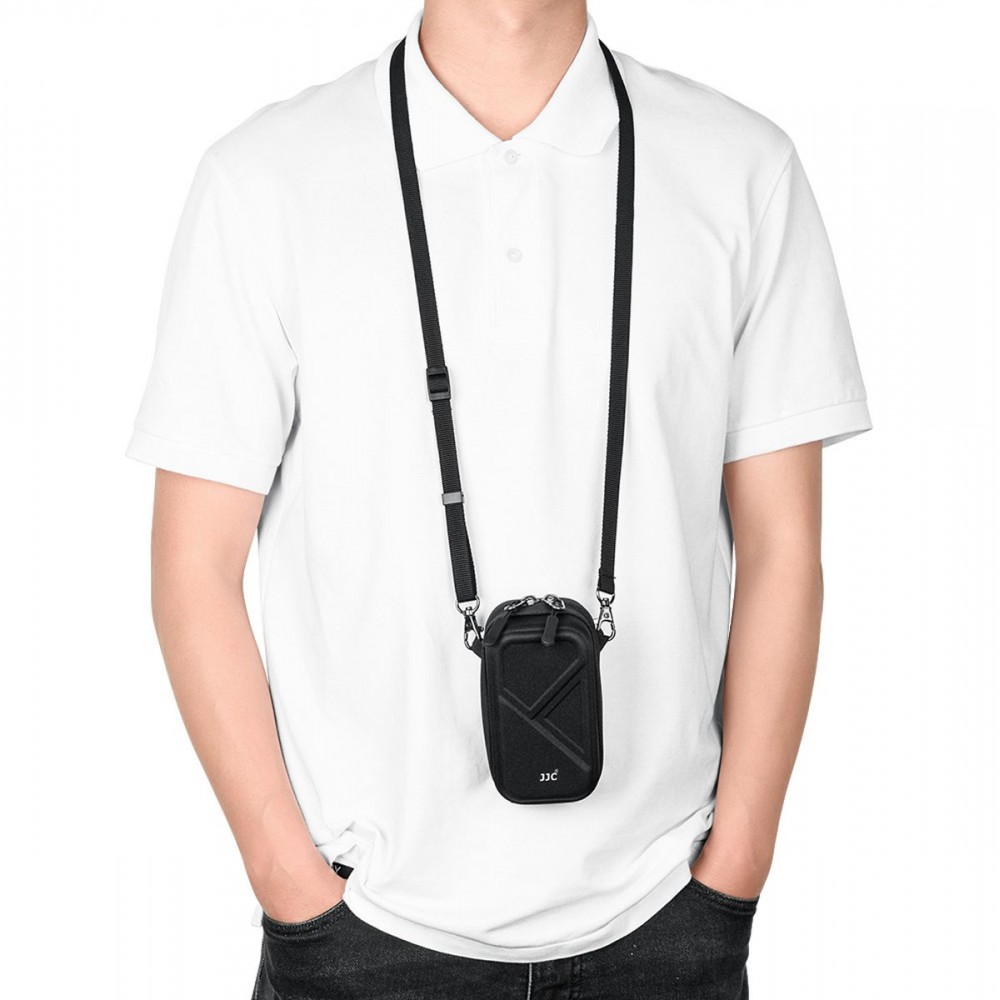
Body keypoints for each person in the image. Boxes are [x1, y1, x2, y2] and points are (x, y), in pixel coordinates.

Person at [126, 1, 871, 997]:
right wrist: (289, 884)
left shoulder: (742, 168)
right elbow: (194, 566)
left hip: (664, 918)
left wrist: (734, 869)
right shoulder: (263, 179)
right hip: (363, 930)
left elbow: (784, 545)